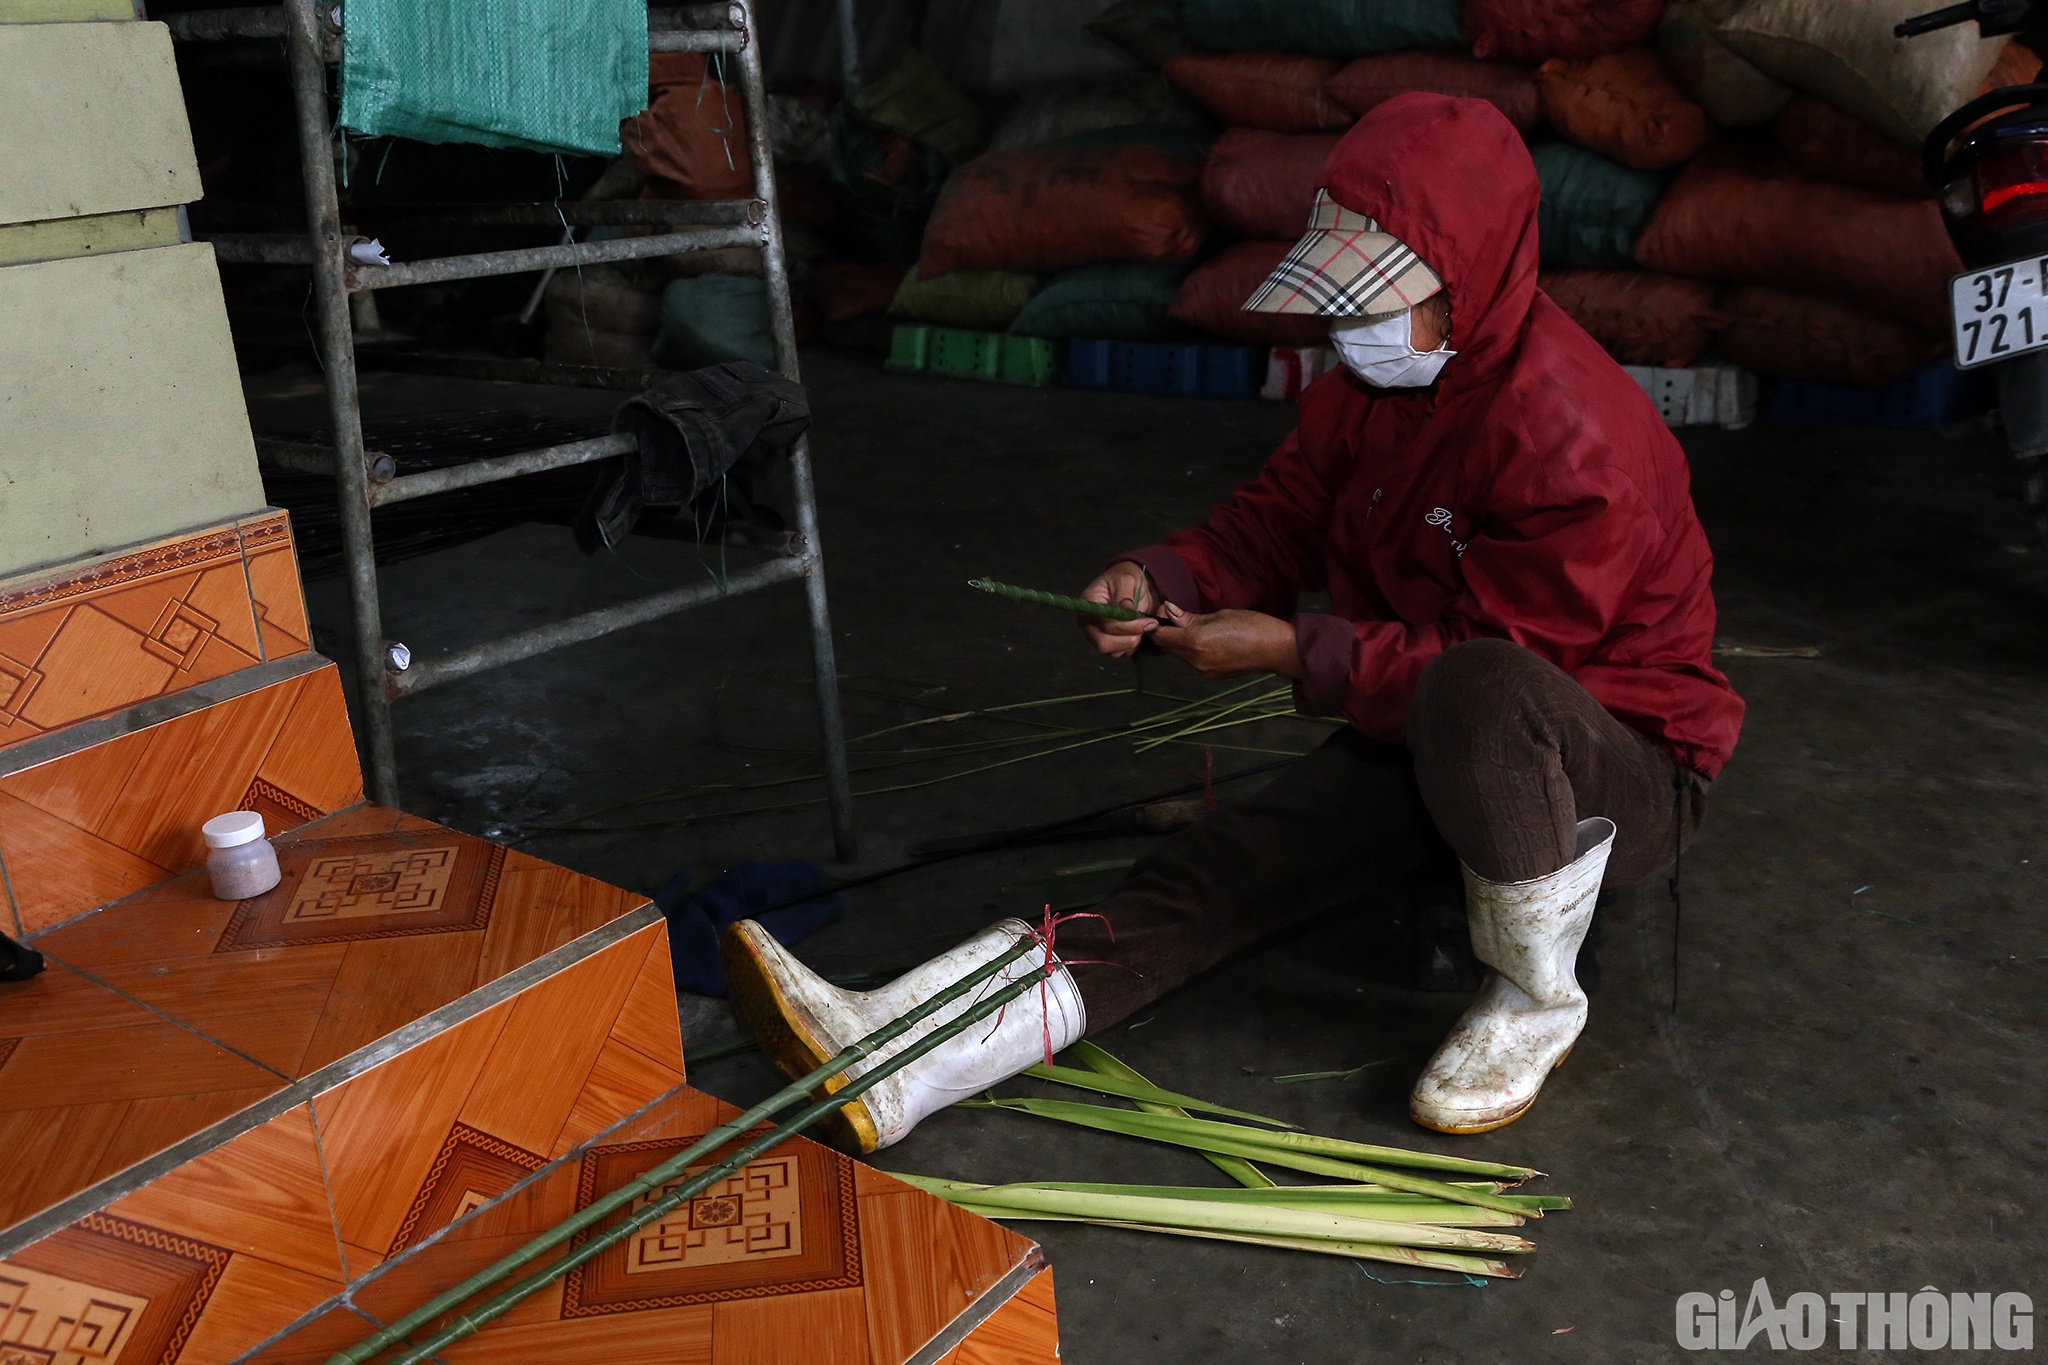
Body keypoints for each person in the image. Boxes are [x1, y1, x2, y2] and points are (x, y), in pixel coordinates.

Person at [723, 93, 1744, 1154]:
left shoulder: (1574, 435)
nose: (1353, 326)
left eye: (1382, 299)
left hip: (1615, 766)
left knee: (1479, 686)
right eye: (1345, 299)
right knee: (1221, 869)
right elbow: (1276, 522)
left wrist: (1291, 649)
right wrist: (1158, 574)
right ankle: (898, 1055)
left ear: (1471, 280)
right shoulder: (1367, 390)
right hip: (1424, 727)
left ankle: (1533, 998)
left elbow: (1504, 667)